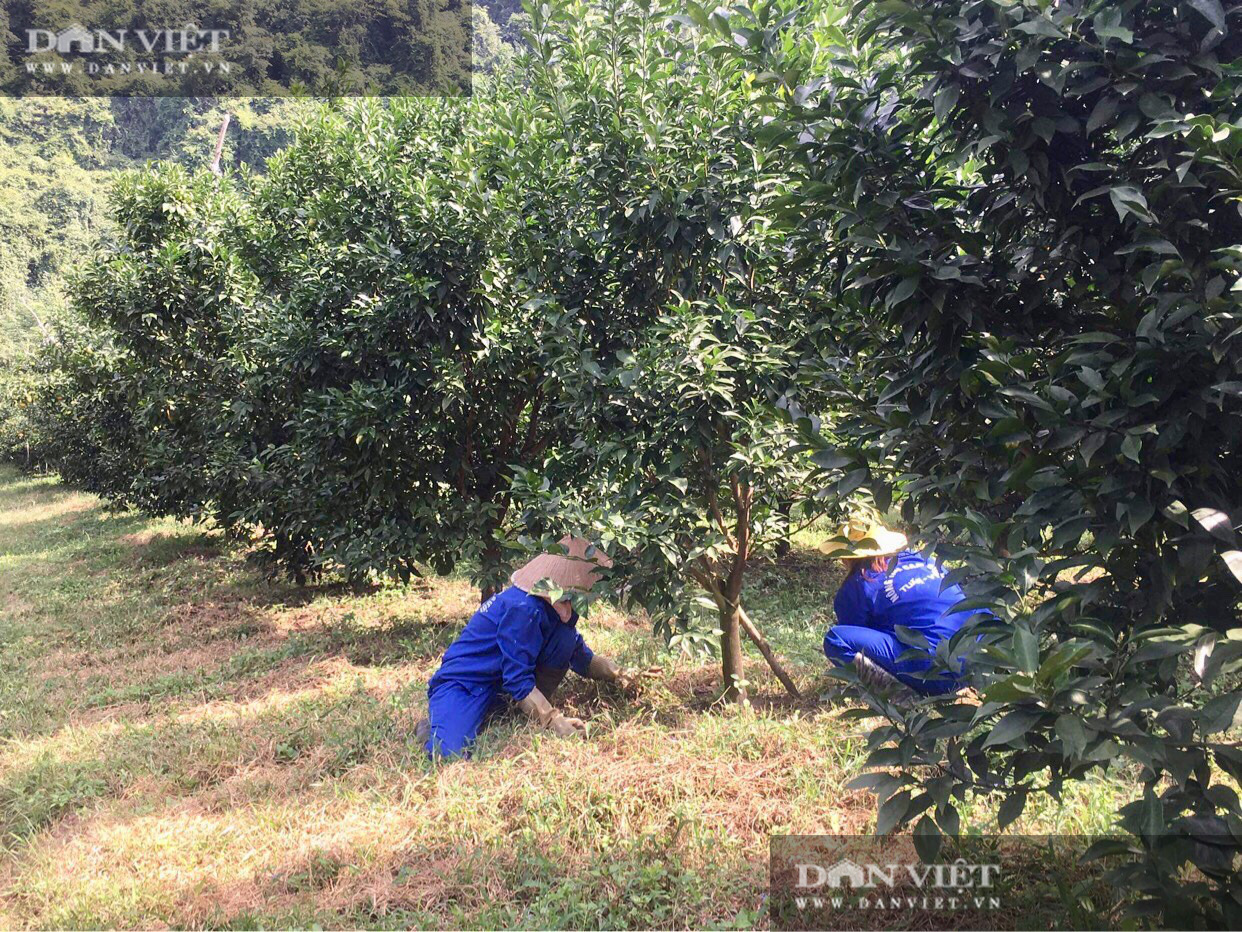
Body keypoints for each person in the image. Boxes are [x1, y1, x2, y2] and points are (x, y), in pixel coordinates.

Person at [419, 536, 649, 759]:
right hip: (466, 684)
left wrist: (620, 674)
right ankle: (437, 723)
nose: (573, 607)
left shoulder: (555, 609)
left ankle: (508, 709)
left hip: (500, 685)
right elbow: (517, 678)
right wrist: (553, 721)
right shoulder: (524, 608)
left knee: (565, 639)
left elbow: (578, 654)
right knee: (446, 753)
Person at [821, 523, 979, 696]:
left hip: (936, 673)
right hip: (979, 659)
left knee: (836, 639)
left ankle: (900, 695)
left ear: (847, 557)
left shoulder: (859, 584)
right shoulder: (926, 559)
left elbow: (856, 634)